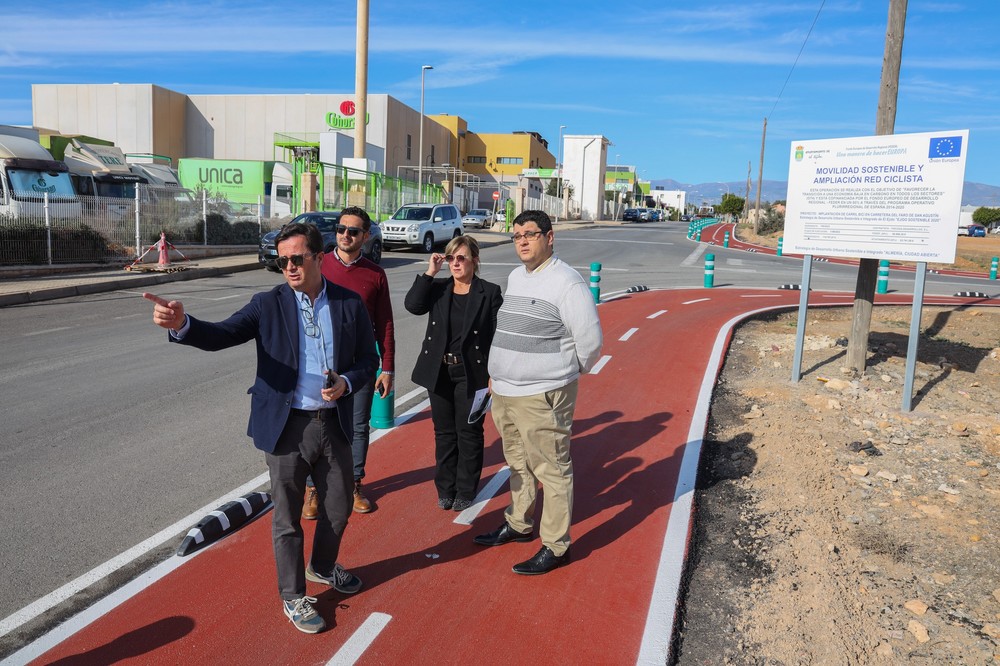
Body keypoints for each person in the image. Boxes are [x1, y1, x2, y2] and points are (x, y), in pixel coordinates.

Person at [143, 222, 379, 634]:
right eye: (281, 260)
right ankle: (293, 596)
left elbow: (366, 360)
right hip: (287, 427)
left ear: (318, 258)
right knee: (287, 517)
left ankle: (322, 566)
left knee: (338, 508)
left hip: (333, 423)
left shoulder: (348, 303)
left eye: (296, 259)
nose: (287, 267)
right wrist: (183, 324)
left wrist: (347, 382)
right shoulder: (266, 304)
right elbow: (222, 334)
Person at [473, 210, 602, 575]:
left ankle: (556, 545)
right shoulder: (517, 276)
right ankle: (518, 523)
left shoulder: (567, 282)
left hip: (543, 394)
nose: (523, 242)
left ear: (549, 237)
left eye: (530, 234)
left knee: (552, 468)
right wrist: (499, 375)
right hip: (506, 391)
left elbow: (590, 341)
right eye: (517, 236)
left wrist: (563, 374)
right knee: (517, 461)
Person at [304, 205, 395, 516]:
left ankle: (354, 483)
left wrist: (388, 368)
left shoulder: (375, 274)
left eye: (353, 231)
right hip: (320, 360)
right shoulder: (319, 265)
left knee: (357, 427)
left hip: (360, 364)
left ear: (365, 236)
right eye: (341, 229)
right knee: (316, 423)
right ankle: (314, 489)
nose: (345, 235)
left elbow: (385, 323)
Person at [404, 235, 502, 512]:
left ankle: (466, 488)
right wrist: (430, 271)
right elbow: (413, 306)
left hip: (473, 372)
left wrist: (495, 373)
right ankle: (445, 488)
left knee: (469, 431)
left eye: (461, 258)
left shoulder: (489, 292)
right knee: (444, 432)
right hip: (439, 371)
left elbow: (497, 336)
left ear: (474, 260)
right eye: (450, 258)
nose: (455, 263)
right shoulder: (437, 288)